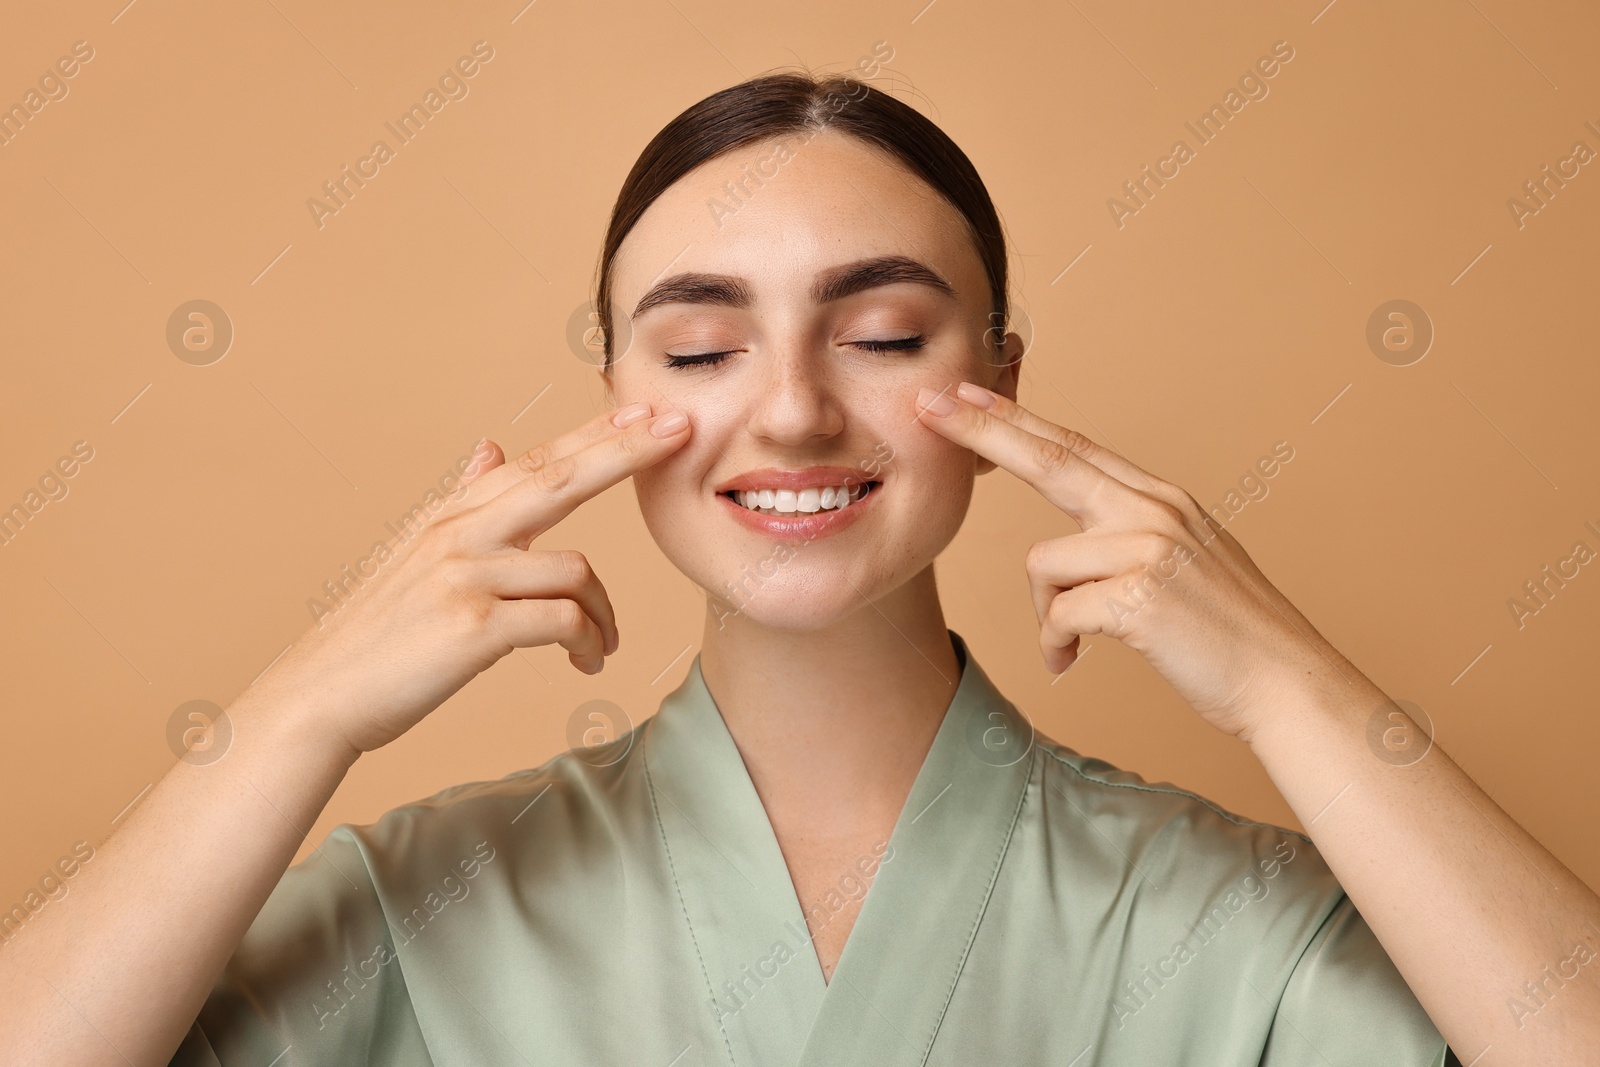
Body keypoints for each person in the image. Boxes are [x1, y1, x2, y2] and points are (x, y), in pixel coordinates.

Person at [2, 70, 1596, 1067]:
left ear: (1005, 381)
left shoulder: (1221, 918)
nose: (789, 407)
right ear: (623, 398)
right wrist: (293, 720)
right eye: (701, 345)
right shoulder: (430, 905)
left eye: (887, 333)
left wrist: (1289, 687)